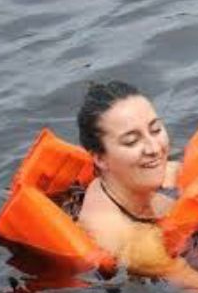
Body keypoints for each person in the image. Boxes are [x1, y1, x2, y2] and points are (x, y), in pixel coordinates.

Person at [76, 81, 184, 273]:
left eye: (156, 130)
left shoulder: (158, 172)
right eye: (131, 141)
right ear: (100, 158)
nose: (154, 149)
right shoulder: (122, 235)